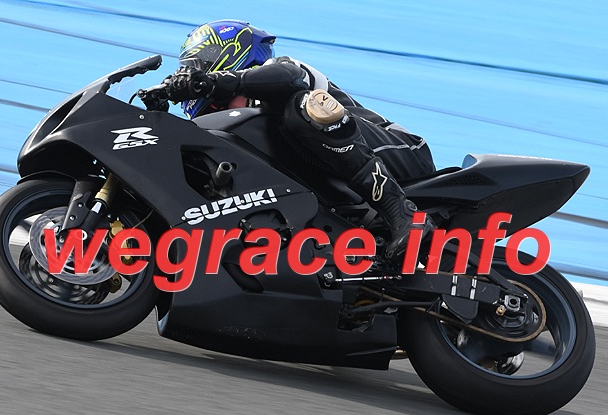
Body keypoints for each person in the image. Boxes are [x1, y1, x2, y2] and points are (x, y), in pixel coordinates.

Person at [162, 19, 435, 258]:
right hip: (341, 190)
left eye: (196, 66)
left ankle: (401, 211)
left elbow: (289, 78)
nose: (192, 73)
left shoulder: (280, 69)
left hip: (403, 152)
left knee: (302, 105)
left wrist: (215, 82)